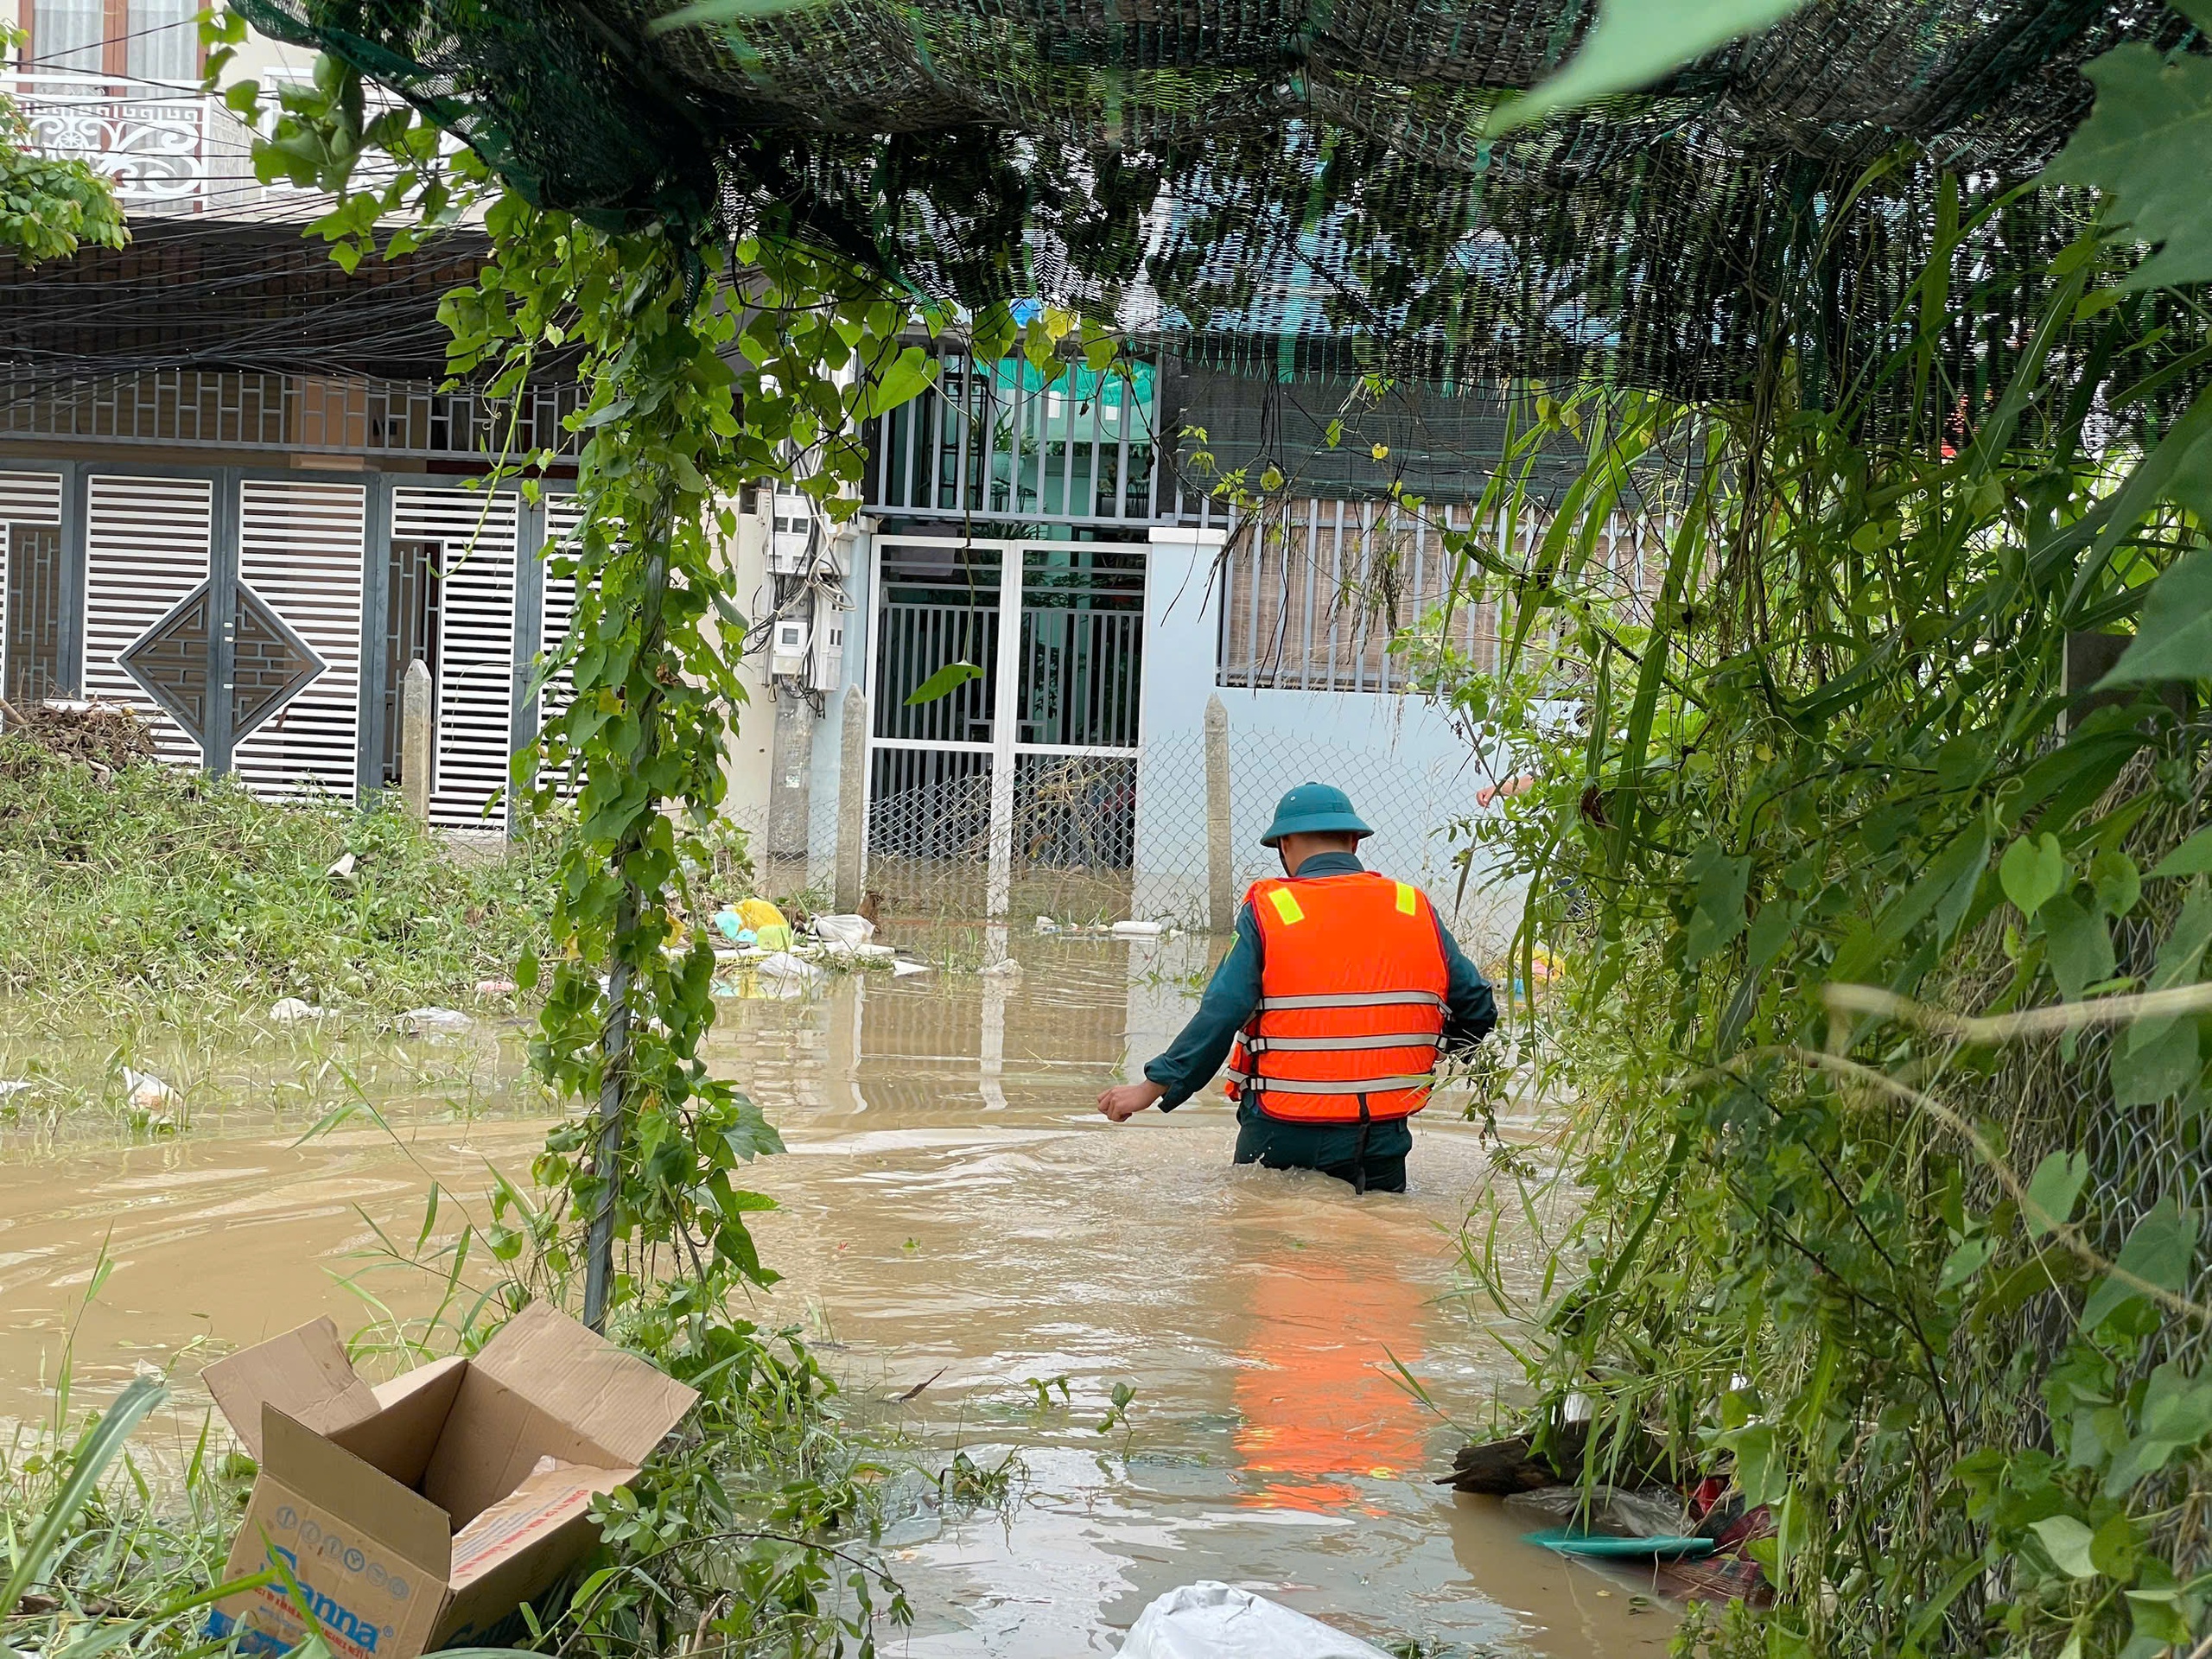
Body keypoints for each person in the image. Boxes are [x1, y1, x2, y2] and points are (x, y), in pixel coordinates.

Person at [1096, 782, 1497, 1193]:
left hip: (1282, 1127)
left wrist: (1153, 1086)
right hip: (1379, 1134)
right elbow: (1477, 1004)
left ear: (1284, 846)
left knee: (1264, 1239)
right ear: (1355, 842)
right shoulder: (1412, 907)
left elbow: (1222, 1010)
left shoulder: (1270, 910)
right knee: (1374, 1247)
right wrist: (1445, 1051)